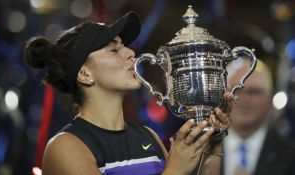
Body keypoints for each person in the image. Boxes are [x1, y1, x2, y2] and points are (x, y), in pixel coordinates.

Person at [24, 11, 232, 175]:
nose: (131, 53)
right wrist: (175, 170)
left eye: (124, 46)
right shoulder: (65, 147)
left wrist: (212, 145)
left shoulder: (148, 136)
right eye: (114, 50)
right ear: (85, 74)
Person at [222, 58, 295, 175]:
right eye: (236, 91)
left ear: (270, 100)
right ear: (223, 97)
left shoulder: (291, 157)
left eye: (254, 92)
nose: (244, 99)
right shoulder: (197, 153)